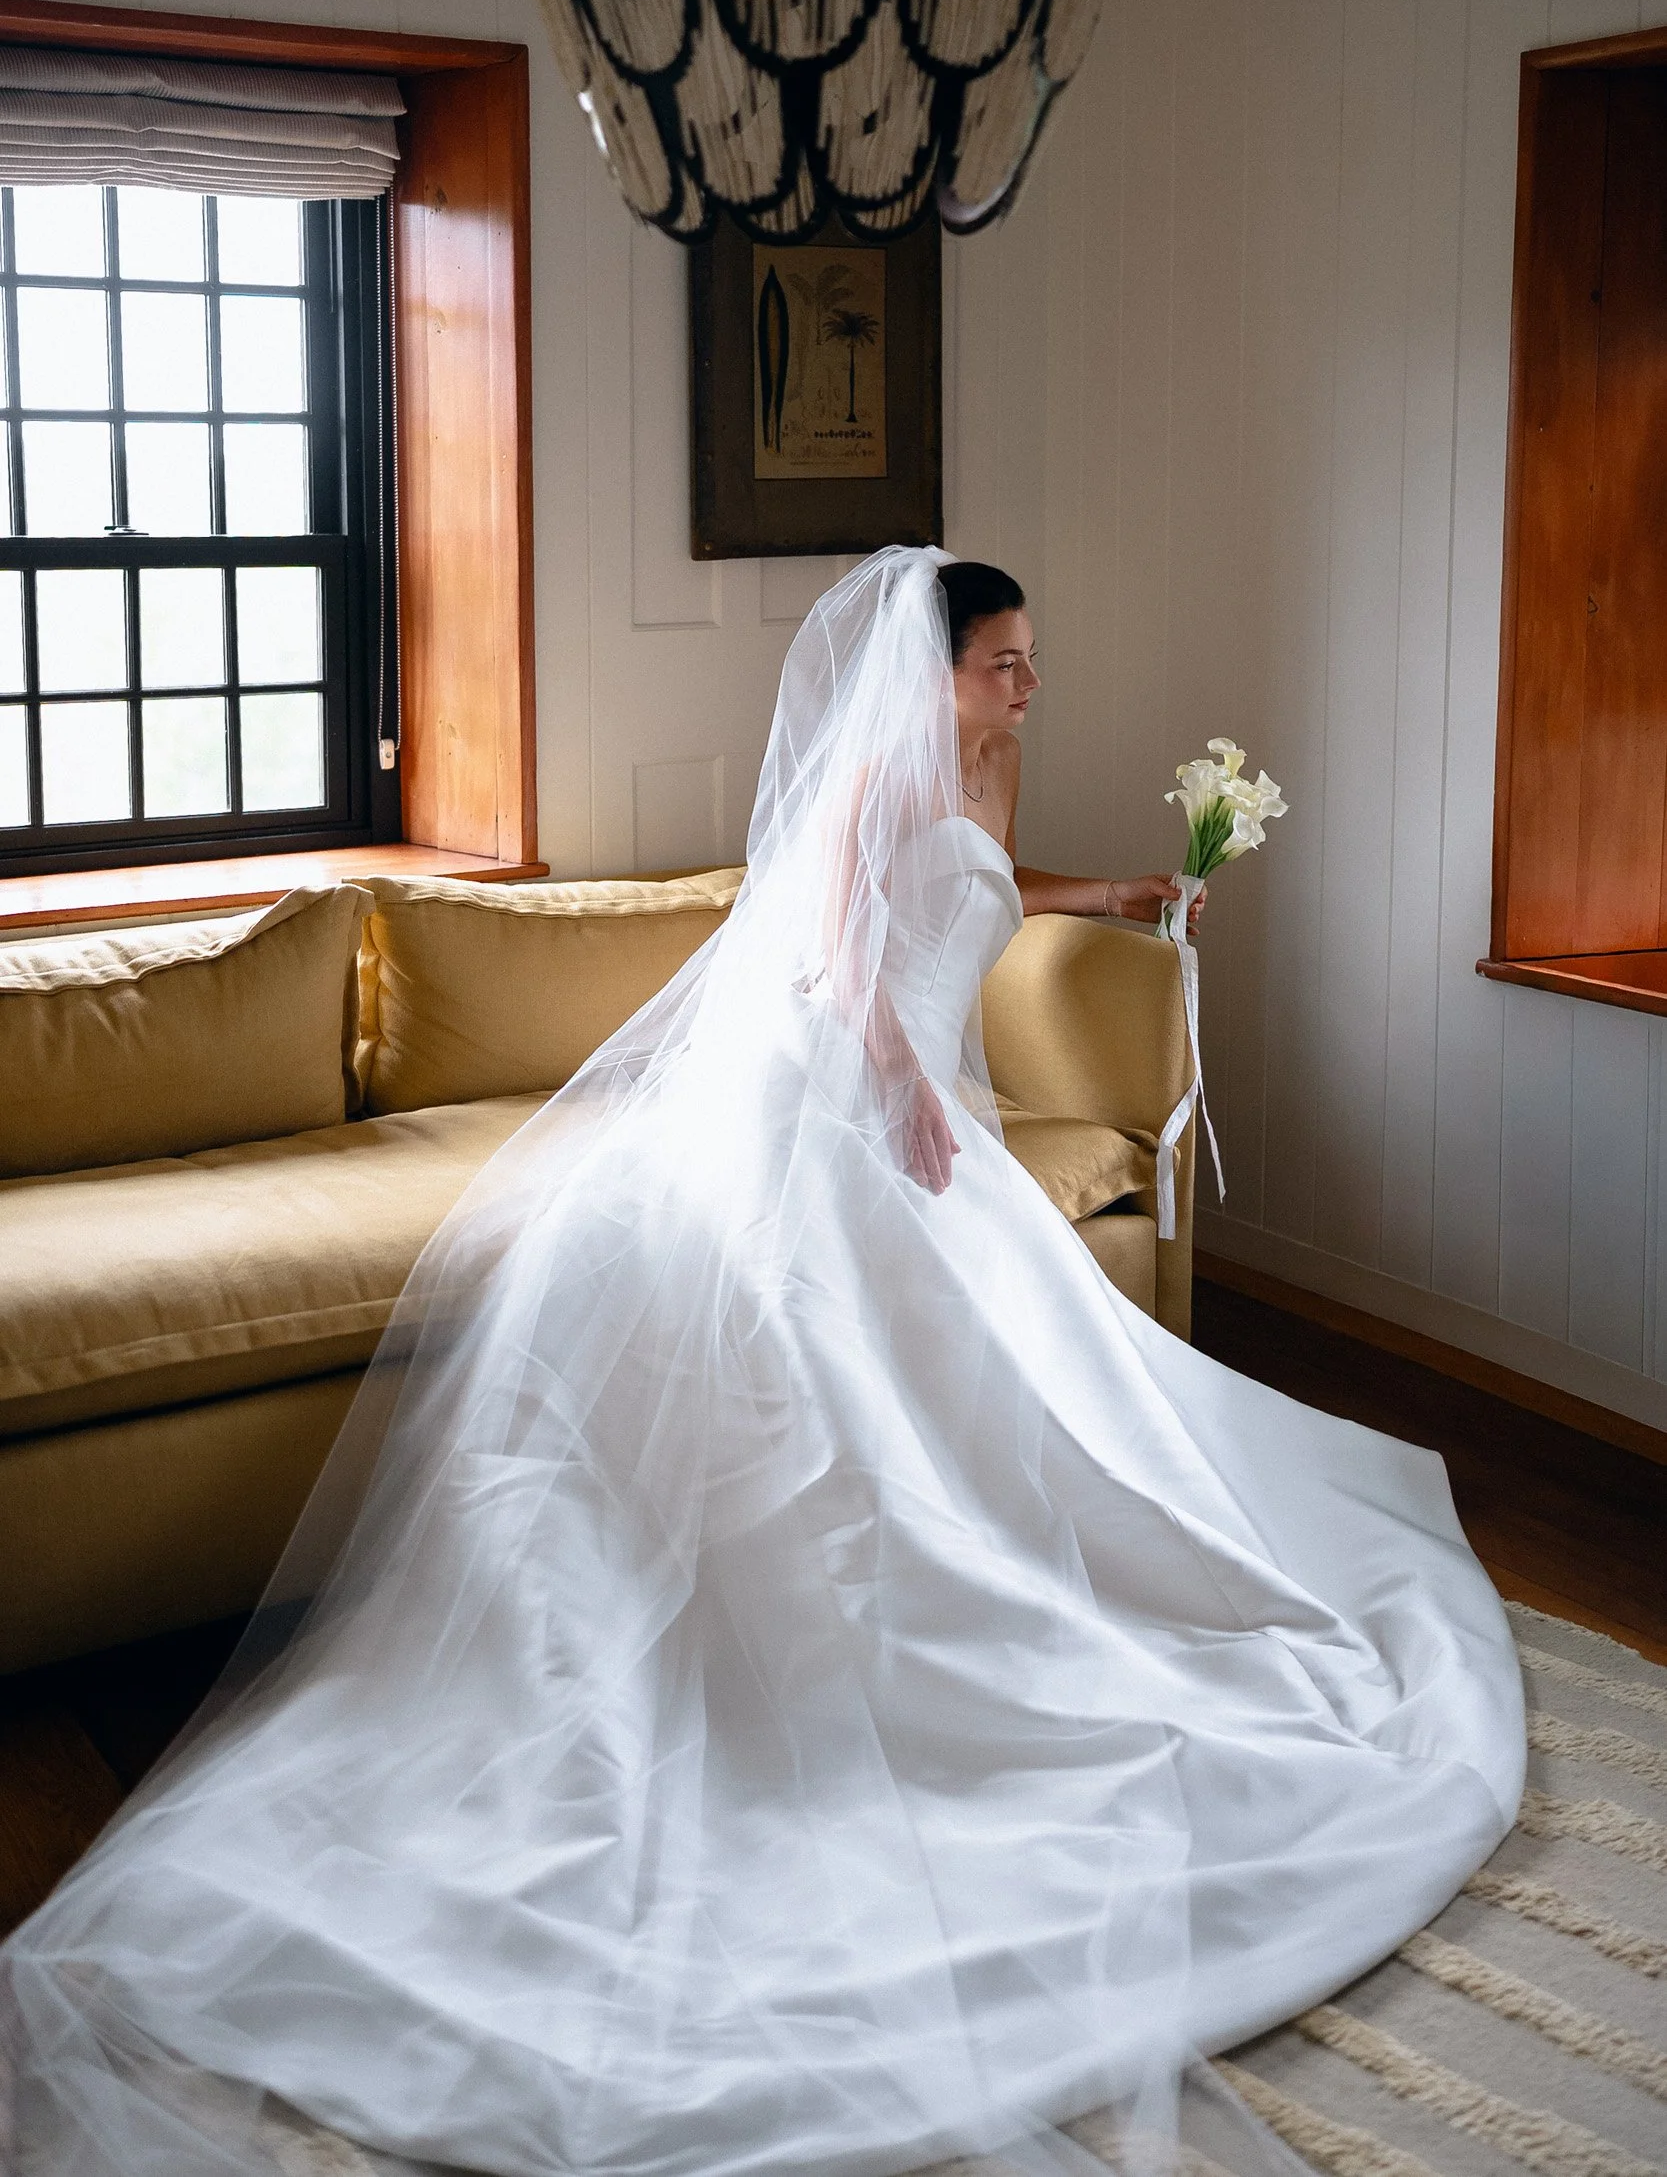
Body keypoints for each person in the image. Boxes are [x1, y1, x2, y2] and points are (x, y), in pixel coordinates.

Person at [0, 548, 1524, 2177]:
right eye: (1001, 662)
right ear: (925, 671)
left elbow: (984, 890)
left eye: (1024, 659)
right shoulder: (873, 768)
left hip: (927, 1094)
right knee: (837, 1361)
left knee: (1012, 1375)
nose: (1025, 685)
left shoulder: (984, 759)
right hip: (853, 1084)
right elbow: (845, 951)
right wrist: (909, 1095)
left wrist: (1122, 897)